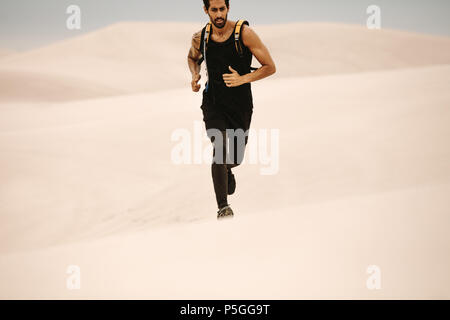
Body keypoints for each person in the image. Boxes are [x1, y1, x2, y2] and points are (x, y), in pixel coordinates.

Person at [187, 0, 276, 219]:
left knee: (234, 157)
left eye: (222, 9)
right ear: (206, 10)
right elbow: (192, 58)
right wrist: (195, 74)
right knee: (219, 145)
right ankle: (223, 207)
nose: (219, 14)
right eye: (214, 10)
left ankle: (227, 169)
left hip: (240, 106)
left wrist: (243, 78)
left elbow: (270, 67)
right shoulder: (201, 37)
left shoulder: (244, 34)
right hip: (213, 103)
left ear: (228, 8)